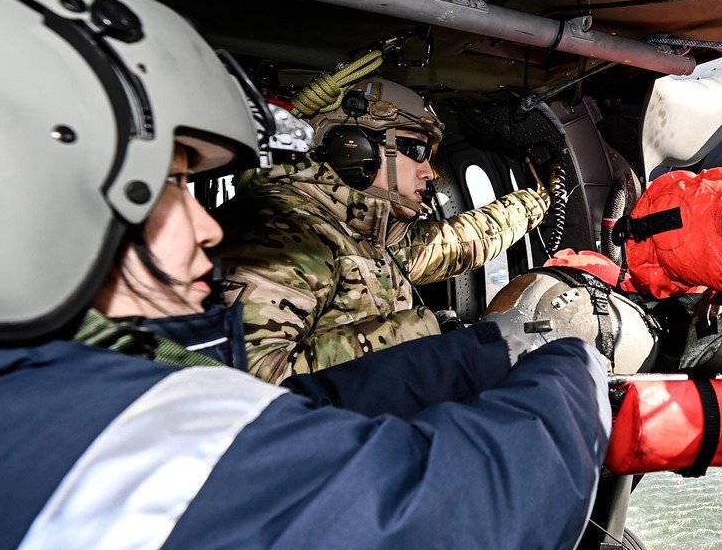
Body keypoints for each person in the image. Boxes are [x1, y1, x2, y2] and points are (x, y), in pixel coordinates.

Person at [0, 0, 609, 550]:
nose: (205, 225)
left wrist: (506, 294)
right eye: (169, 188)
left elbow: (385, 310)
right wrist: (572, 369)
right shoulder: (277, 238)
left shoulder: (354, 235)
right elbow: (267, 401)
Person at [215, 74, 553, 382]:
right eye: (415, 149)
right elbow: (255, 382)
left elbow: (459, 241)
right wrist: (422, 336)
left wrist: (539, 200)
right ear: (353, 148)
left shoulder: (366, 233)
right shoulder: (284, 230)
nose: (429, 173)